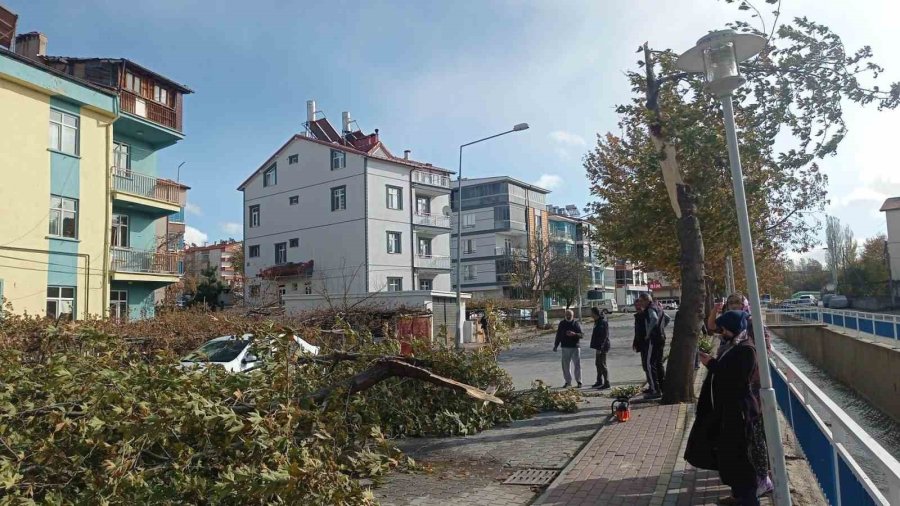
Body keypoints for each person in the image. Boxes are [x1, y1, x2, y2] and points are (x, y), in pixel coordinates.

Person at [686, 310, 767, 506]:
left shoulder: (747, 350)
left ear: (733, 328)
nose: (721, 333)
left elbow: (736, 380)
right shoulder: (734, 346)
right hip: (728, 411)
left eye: (724, 329)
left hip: (739, 413)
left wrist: (712, 364)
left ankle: (747, 499)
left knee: (741, 458)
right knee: (730, 456)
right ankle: (738, 495)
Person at [707, 293, 773, 497]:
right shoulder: (731, 325)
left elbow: (765, 351)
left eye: (738, 304)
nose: (734, 307)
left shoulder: (752, 326)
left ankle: (762, 479)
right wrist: (714, 311)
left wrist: (751, 376)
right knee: (742, 438)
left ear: (745, 306)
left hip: (749, 387)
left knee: (754, 434)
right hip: (735, 386)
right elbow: (711, 327)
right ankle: (745, 484)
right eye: (731, 304)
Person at [637, 293, 667, 399]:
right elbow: (666, 318)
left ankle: (655, 390)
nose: (640, 303)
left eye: (641, 301)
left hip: (653, 339)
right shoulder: (658, 307)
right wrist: (661, 329)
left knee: (649, 364)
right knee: (658, 363)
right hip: (661, 337)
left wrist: (648, 333)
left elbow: (654, 319)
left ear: (646, 300)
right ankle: (661, 387)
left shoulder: (650, 308)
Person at [553, 310, 583, 388]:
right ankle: (568, 382)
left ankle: (579, 381)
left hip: (575, 347)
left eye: (570, 315)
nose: (568, 316)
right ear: (565, 315)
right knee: (565, 366)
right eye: (567, 315)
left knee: (577, 365)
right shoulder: (562, 324)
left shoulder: (576, 324)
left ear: (573, 316)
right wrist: (556, 345)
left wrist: (574, 334)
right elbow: (558, 335)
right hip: (565, 347)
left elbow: (581, 335)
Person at [589, 307, 610, 389]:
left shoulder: (602, 322)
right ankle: (599, 381)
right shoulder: (597, 322)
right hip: (598, 346)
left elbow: (604, 336)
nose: (590, 314)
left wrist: (600, 348)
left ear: (595, 313)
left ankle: (607, 382)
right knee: (598, 364)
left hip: (602, 346)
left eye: (591, 313)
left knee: (602, 364)